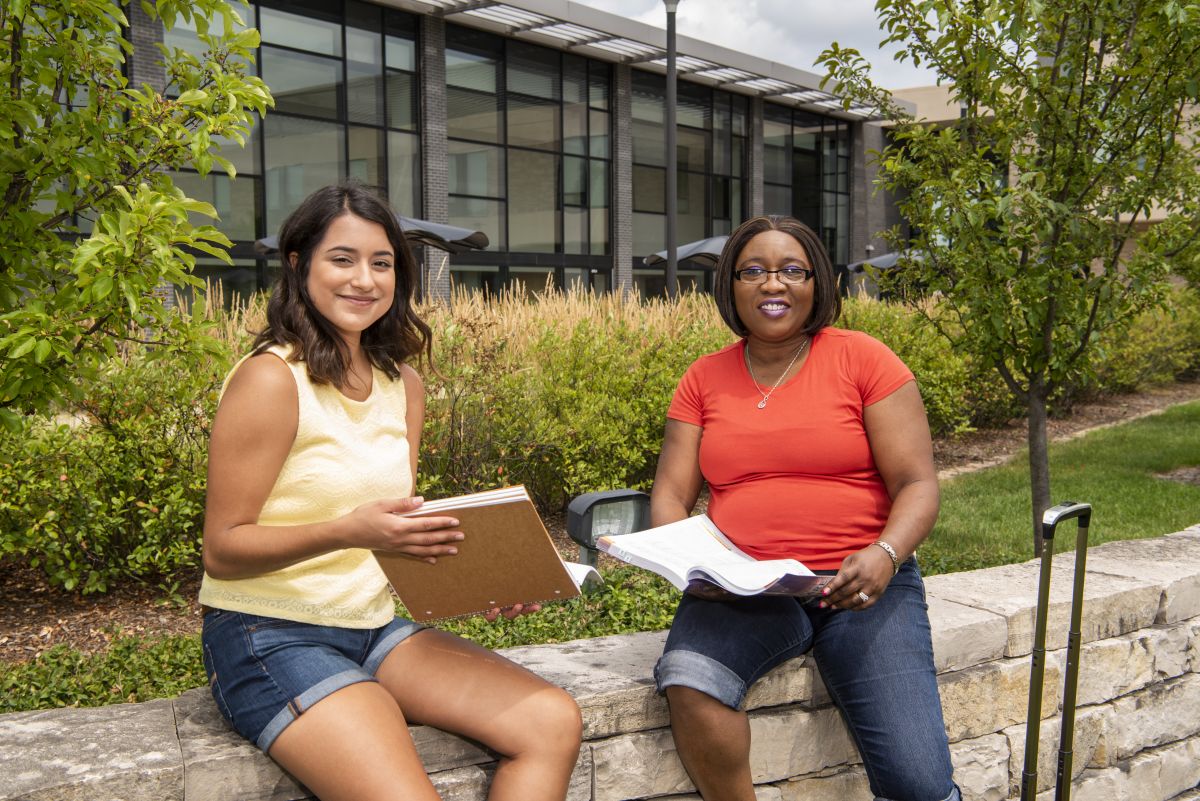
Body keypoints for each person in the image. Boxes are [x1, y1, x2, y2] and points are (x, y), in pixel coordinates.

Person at [198, 182, 582, 801]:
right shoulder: (271, 379)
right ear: (299, 264)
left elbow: (395, 526)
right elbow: (222, 549)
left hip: (373, 627)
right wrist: (346, 531)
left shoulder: (401, 383)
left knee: (550, 720)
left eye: (382, 263)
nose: (364, 280)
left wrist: (489, 577)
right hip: (267, 632)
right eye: (342, 259)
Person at [649, 215, 959, 801]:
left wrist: (886, 554)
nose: (773, 284)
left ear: (817, 283)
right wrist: (690, 566)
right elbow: (669, 494)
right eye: (754, 271)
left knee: (918, 782)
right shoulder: (703, 378)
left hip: (862, 586)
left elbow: (918, 483)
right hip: (743, 590)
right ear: (731, 285)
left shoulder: (864, 360)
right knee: (690, 679)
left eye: (792, 270)